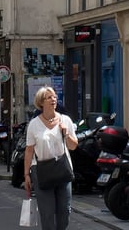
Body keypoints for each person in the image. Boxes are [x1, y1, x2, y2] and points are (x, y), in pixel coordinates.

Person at [23, 86, 77, 230]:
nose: (53, 99)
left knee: (65, 210)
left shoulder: (65, 120)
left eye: (54, 96)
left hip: (62, 168)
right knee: (47, 212)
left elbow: (73, 146)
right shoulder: (34, 124)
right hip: (41, 170)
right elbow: (29, 150)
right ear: (41, 102)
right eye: (49, 97)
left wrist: (65, 133)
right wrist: (26, 174)